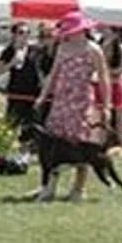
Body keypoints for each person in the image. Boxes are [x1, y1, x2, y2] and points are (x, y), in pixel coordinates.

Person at [34, 12, 116, 201]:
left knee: (82, 145)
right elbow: (53, 74)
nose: (68, 34)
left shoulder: (93, 49)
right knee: (54, 144)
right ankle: (49, 187)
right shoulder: (63, 48)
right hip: (61, 101)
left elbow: (103, 77)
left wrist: (107, 105)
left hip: (82, 102)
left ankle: (79, 188)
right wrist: (43, 96)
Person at [0, 24, 55, 144]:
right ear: (14, 34)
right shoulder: (8, 51)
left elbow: (45, 63)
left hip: (33, 91)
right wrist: (12, 63)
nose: (24, 35)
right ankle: (9, 145)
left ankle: (29, 146)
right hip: (15, 91)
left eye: (27, 32)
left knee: (31, 124)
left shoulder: (34, 50)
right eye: (21, 32)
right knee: (12, 122)